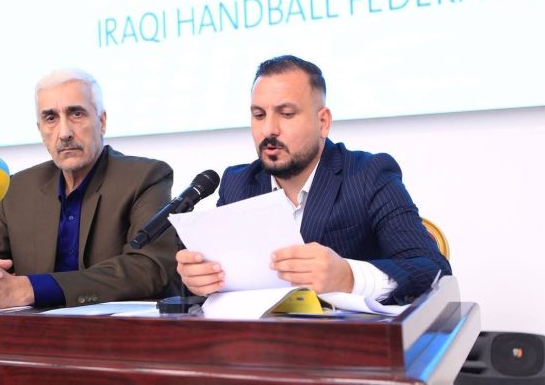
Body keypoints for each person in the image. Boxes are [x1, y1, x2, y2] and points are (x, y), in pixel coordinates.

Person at [176, 55, 451, 305]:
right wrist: (202, 280)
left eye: (286, 114)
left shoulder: (369, 174)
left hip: (348, 339)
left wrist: (349, 276)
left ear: (323, 122)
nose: (269, 129)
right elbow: (228, 282)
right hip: (259, 339)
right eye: (259, 115)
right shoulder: (238, 184)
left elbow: (433, 271)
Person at [0, 69, 177, 310]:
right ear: (40, 130)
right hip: (34, 336)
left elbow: (148, 267)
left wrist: (27, 289)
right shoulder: (19, 189)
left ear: (102, 121)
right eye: (51, 118)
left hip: (118, 334)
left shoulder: (145, 177)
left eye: (76, 114)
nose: (64, 133)